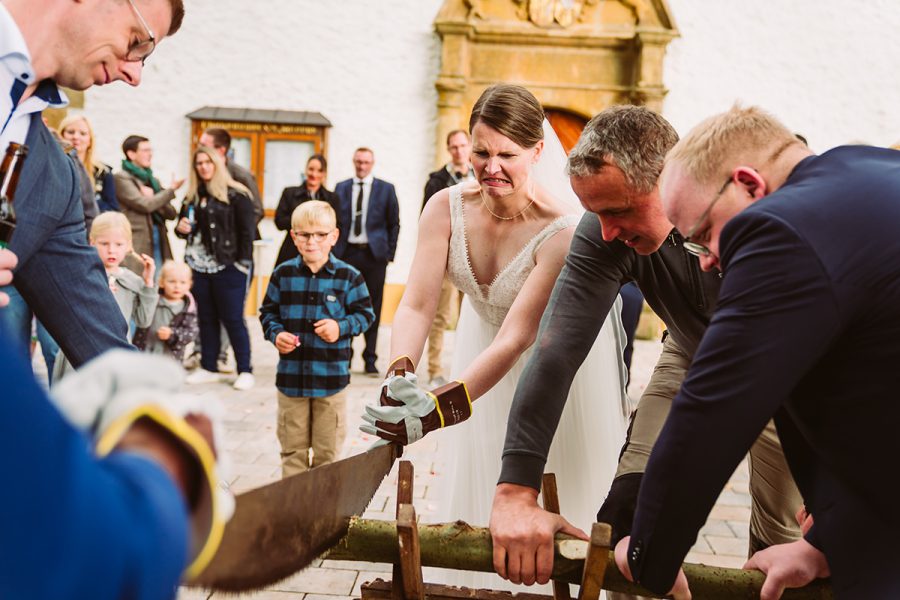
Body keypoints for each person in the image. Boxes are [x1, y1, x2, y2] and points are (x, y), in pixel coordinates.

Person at [489, 106, 802, 595]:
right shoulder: (602, 229)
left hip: (785, 370)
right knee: (628, 513)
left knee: (781, 539)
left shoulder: (759, 216)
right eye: (595, 213)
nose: (607, 230)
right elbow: (557, 349)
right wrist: (515, 489)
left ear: (669, 179)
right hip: (687, 350)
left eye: (619, 210)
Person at [615, 105, 900, 599]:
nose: (706, 263)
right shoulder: (869, 171)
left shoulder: (780, 227)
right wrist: (827, 542)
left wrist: (647, 553)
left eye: (704, 235)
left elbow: (714, 410)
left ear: (749, 184)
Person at [362, 84, 629, 592]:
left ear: (538, 151)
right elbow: (417, 303)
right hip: (475, 359)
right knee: (479, 488)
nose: (491, 167)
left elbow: (515, 339)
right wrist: (400, 375)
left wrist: (437, 410)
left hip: (544, 369)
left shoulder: (562, 231)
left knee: (555, 489)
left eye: (507, 154)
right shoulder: (445, 207)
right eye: (481, 151)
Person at [0, 0, 184, 369]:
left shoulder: (58, 177)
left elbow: (102, 343)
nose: (135, 75)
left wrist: (161, 420)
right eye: (138, 43)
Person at [260, 201, 375, 477]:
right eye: (305, 234)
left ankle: (321, 516)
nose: (312, 242)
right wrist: (276, 334)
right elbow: (267, 313)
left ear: (334, 236)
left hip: (331, 383)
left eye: (320, 235)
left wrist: (341, 326)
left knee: (328, 455)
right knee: (292, 452)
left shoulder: (349, 277)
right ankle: (294, 515)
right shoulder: (282, 274)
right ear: (293, 237)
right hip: (291, 382)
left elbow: (366, 315)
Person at [176, 146, 256, 391]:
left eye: (207, 162)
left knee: (232, 318)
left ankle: (245, 369)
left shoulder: (237, 195)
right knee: (206, 317)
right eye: (199, 163)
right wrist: (180, 229)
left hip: (228, 266)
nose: (203, 167)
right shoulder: (191, 196)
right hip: (198, 267)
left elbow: (247, 233)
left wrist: (242, 264)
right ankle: (208, 366)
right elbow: (181, 231)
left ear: (217, 164)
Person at [54, 212, 158, 381]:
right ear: (91, 242)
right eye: (104, 243)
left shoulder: (132, 281)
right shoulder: (81, 275)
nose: (112, 250)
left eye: (118, 244)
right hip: (81, 352)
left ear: (129, 246)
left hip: (115, 353)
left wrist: (148, 283)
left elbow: (143, 320)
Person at [333, 147, 400, 374]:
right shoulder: (341, 188)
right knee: (344, 304)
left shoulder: (386, 189)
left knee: (373, 306)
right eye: (358, 162)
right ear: (354, 162)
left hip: (374, 256)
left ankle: (370, 358)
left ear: (372, 163)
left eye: (366, 162)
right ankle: (345, 356)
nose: (362, 166)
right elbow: (335, 222)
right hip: (347, 254)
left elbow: (394, 223)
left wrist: (389, 254)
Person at [420, 129, 475, 387]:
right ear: (448, 149)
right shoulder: (436, 181)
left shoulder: (480, 175)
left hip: (477, 256)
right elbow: (427, 220)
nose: (459, 151)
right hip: (446, 258)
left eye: (463, 145)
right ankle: (434, 371)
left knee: (474, 314)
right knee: (440, 317)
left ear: (470, 146)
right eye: (454, 147)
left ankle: (471, 369)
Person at [114, 134, 183, 273]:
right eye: (145, 150)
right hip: (137, 242)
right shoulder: (121, 178)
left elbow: (172, 213)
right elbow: (144, 205)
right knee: (138, 283)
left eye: (150, 150)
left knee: (158, 284)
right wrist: (171, 190)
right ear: (131, 154)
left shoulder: (153, 181)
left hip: (158, 238)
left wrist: (155, 197)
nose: (150, 154)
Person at [274, 153, 341, 266]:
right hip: (292, 249)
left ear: (324, 174)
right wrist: (303, 220)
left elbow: (337, 225)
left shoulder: (332, 198)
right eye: (311, 169)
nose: (314, 174)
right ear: (305, 170)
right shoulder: (289, 193)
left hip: (320, 252)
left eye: (319, 170)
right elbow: (279, 222)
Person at [133, 259, 198, 364]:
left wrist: (172, 334)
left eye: (183, 282)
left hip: (170, 358)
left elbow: (191, 333)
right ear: (161, 282)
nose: (177, 286)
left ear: (189, 285)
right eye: (172, 281)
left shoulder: (188, 308)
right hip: (144, 352)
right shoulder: (153, 300)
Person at [199, 127, 263, 226]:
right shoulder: (201, 171)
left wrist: (236, 234)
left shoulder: (242, 176)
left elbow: (257, 210)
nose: (199, 149)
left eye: (203, 145)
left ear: (221, 150)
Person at [59, 114, 120, 213]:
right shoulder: (53, 168)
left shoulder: (103, 172)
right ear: (61, 135)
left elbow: (113, 207)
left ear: (90, 140)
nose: (76, 137)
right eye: (70, 132)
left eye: (83, 133)